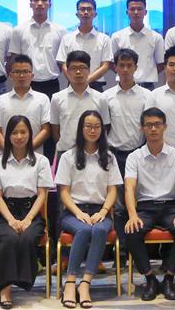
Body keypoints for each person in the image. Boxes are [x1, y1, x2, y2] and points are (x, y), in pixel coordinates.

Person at [0, 115, 55, 308]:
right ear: (7, 136)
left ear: (30, 134)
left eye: (23, 132)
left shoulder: (41, 161)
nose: (19, 136)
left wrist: (28, 219)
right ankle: (2, 290)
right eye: (14, 132)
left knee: (26, 238)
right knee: (8, 238)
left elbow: (42, 195)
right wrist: (11, 220)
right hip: (5, 212)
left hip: (32, 212)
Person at [53, 110, 122, 309]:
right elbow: (63, 192)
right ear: (81, 129)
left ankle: (85, 284)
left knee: (99, 230)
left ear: (102, 130)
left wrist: (103, 212)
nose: (93, 130)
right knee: (83, 229)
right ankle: (70, 283)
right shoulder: (68, 156)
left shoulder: (109, 157)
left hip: (100, 210)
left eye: (97, 127)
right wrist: (78, 213)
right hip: (73, 212)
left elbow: (112, 190)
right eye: (88, 126)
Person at [123, 108, 175, 301]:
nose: (153, 129)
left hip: (171, 206)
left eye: (157, 125)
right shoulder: (134, 157)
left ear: (164, 127)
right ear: (142, 128)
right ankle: (150, 279)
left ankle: (169, 278)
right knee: (131, 231)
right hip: (145, 207)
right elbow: (129, 188)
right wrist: (132, 215)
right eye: (148, 125)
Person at [50, 51, 111, 158]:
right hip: (65, 153)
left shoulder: (101, 98)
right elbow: (55, 130)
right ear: (67, 71)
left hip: (92, 154)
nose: (78, 72)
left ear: (89, 70)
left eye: (82, 68)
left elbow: (105, 127)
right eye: (73, 68)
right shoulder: (57, 98)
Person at [10, 0, 67, 98]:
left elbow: (63, 60)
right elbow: (14, 58)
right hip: (26, 83)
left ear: (50, 4)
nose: (40, 3)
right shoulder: (19, 30)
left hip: (52, 83)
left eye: (44, 0)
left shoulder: (60, 30)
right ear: (30, 4)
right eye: (36, 0)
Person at [0, 54, 51, 155]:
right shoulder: (1, 100)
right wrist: (9, 151)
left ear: (32, 75)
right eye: (17, 72)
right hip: (6, 157)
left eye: (25, 72)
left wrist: (27, 150)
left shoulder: (42, 99)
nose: (21, 76)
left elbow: (46, 129)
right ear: (11, 75)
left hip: (35, 156)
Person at [103, 48, 151, 175]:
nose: (125, 69)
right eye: (121, 65)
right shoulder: (106, 97)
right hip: (113, 154)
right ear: (115, 67)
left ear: (136, 68)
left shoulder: (147, 96)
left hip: (139, 153)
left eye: (129, 65)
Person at [110, 0, 165, 90]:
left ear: (145, 12)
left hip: (148, 87)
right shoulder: (117, 37)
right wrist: (125, 75)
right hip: (124, 86)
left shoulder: (156, 37)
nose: (136, 12)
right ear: (127, 12)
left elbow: (161, 63)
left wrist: (148, 75)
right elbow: (112, 63)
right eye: (132, 9)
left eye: (139, 9)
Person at [57, 0, 112, 92]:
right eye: (82, 9)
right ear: (77, 14)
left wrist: (86, 81)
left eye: (89, 9)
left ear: (95, 14)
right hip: (72, 85)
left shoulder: (104, 39)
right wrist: (73, 80)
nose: (86, 12)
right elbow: (63, 64)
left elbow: (105, 65)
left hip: (95, 85)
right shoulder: (67, 38)